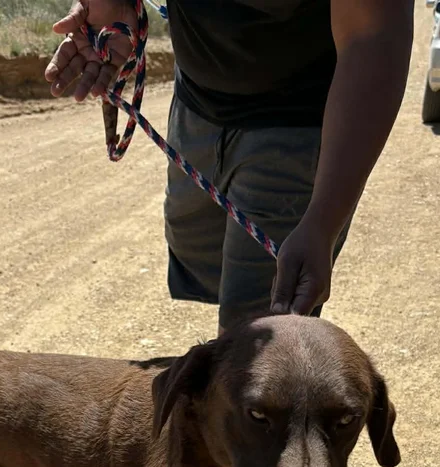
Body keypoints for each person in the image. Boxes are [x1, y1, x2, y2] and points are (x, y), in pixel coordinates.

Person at [45, 0, 413, 330]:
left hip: (297, 127)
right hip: (195, 106)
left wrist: (321, 223)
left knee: (254, 344)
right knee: (200, 258)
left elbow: (373, 36)